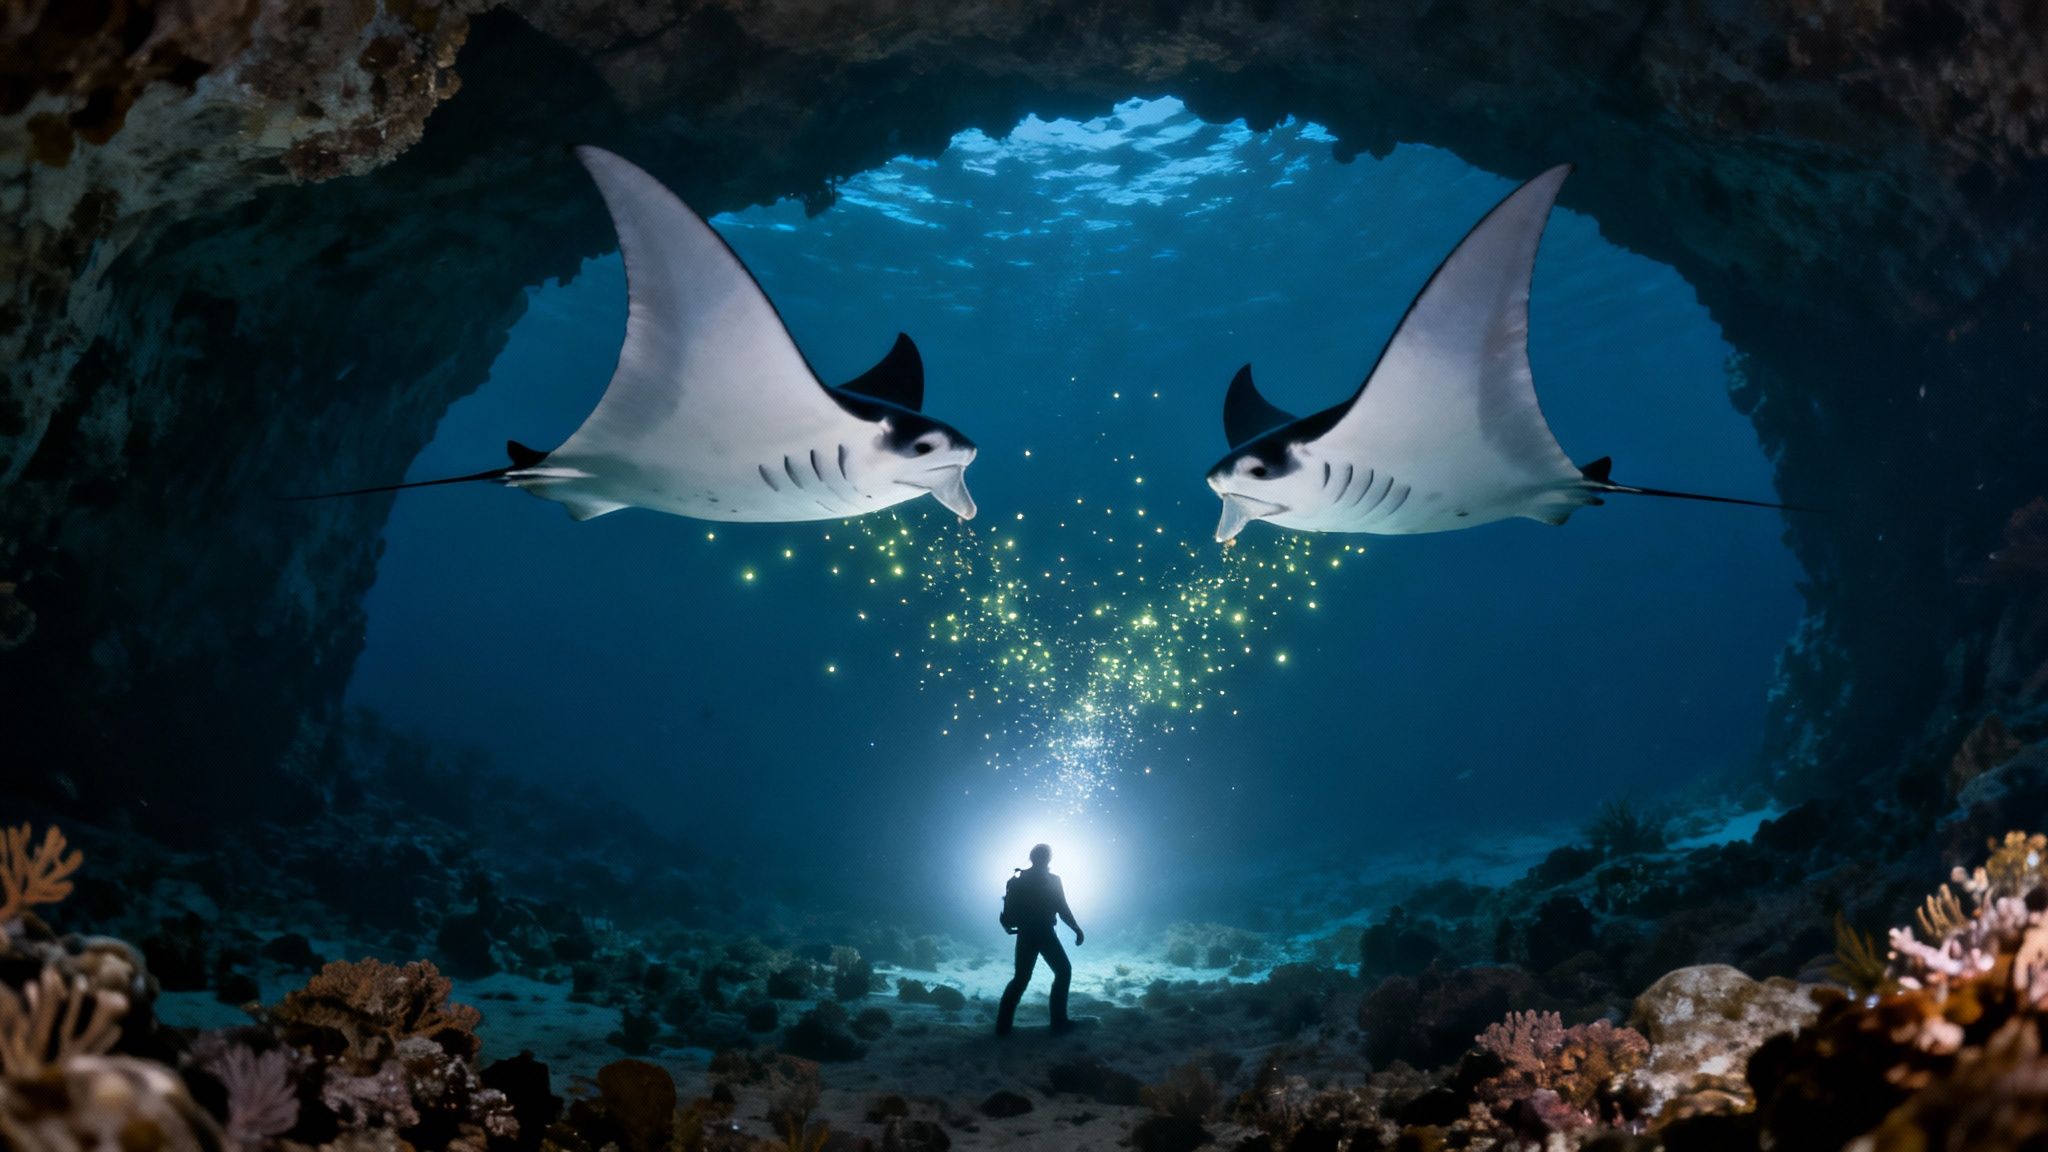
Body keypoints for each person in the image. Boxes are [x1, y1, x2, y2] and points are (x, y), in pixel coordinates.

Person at [996, 842, 1084, 1036]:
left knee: (1021, 979)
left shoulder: (1018, 879)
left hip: (1026, 933)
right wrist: (1076, 929)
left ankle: (1002, 1027)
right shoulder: (1053, 880)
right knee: (1063, 971)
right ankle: (1059, 1022)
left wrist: (1009, 927)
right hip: (1044, 932)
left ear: (1032, 857)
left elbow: (1007, 918)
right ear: (1049, 858)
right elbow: (1063, 908)